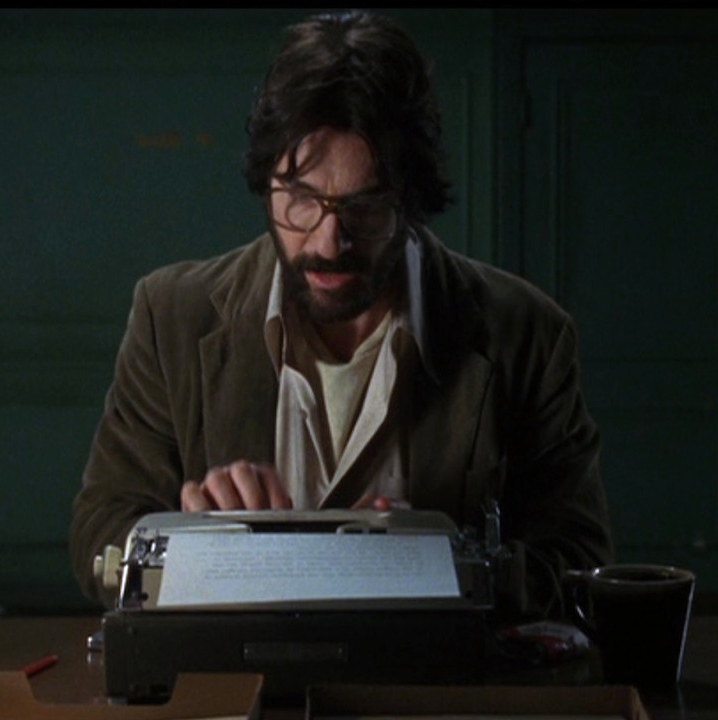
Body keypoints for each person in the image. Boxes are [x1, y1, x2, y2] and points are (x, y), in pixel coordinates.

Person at [70, 10, 612, 615]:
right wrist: (195, 543)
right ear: (266, 182)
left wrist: (438, 561)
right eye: (301, 200)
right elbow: (100, 532)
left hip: (428, 675)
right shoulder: (171, 317)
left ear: (412, 198)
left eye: (367, 206)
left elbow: (580, 559)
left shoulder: (527, 334)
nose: (330, 242)